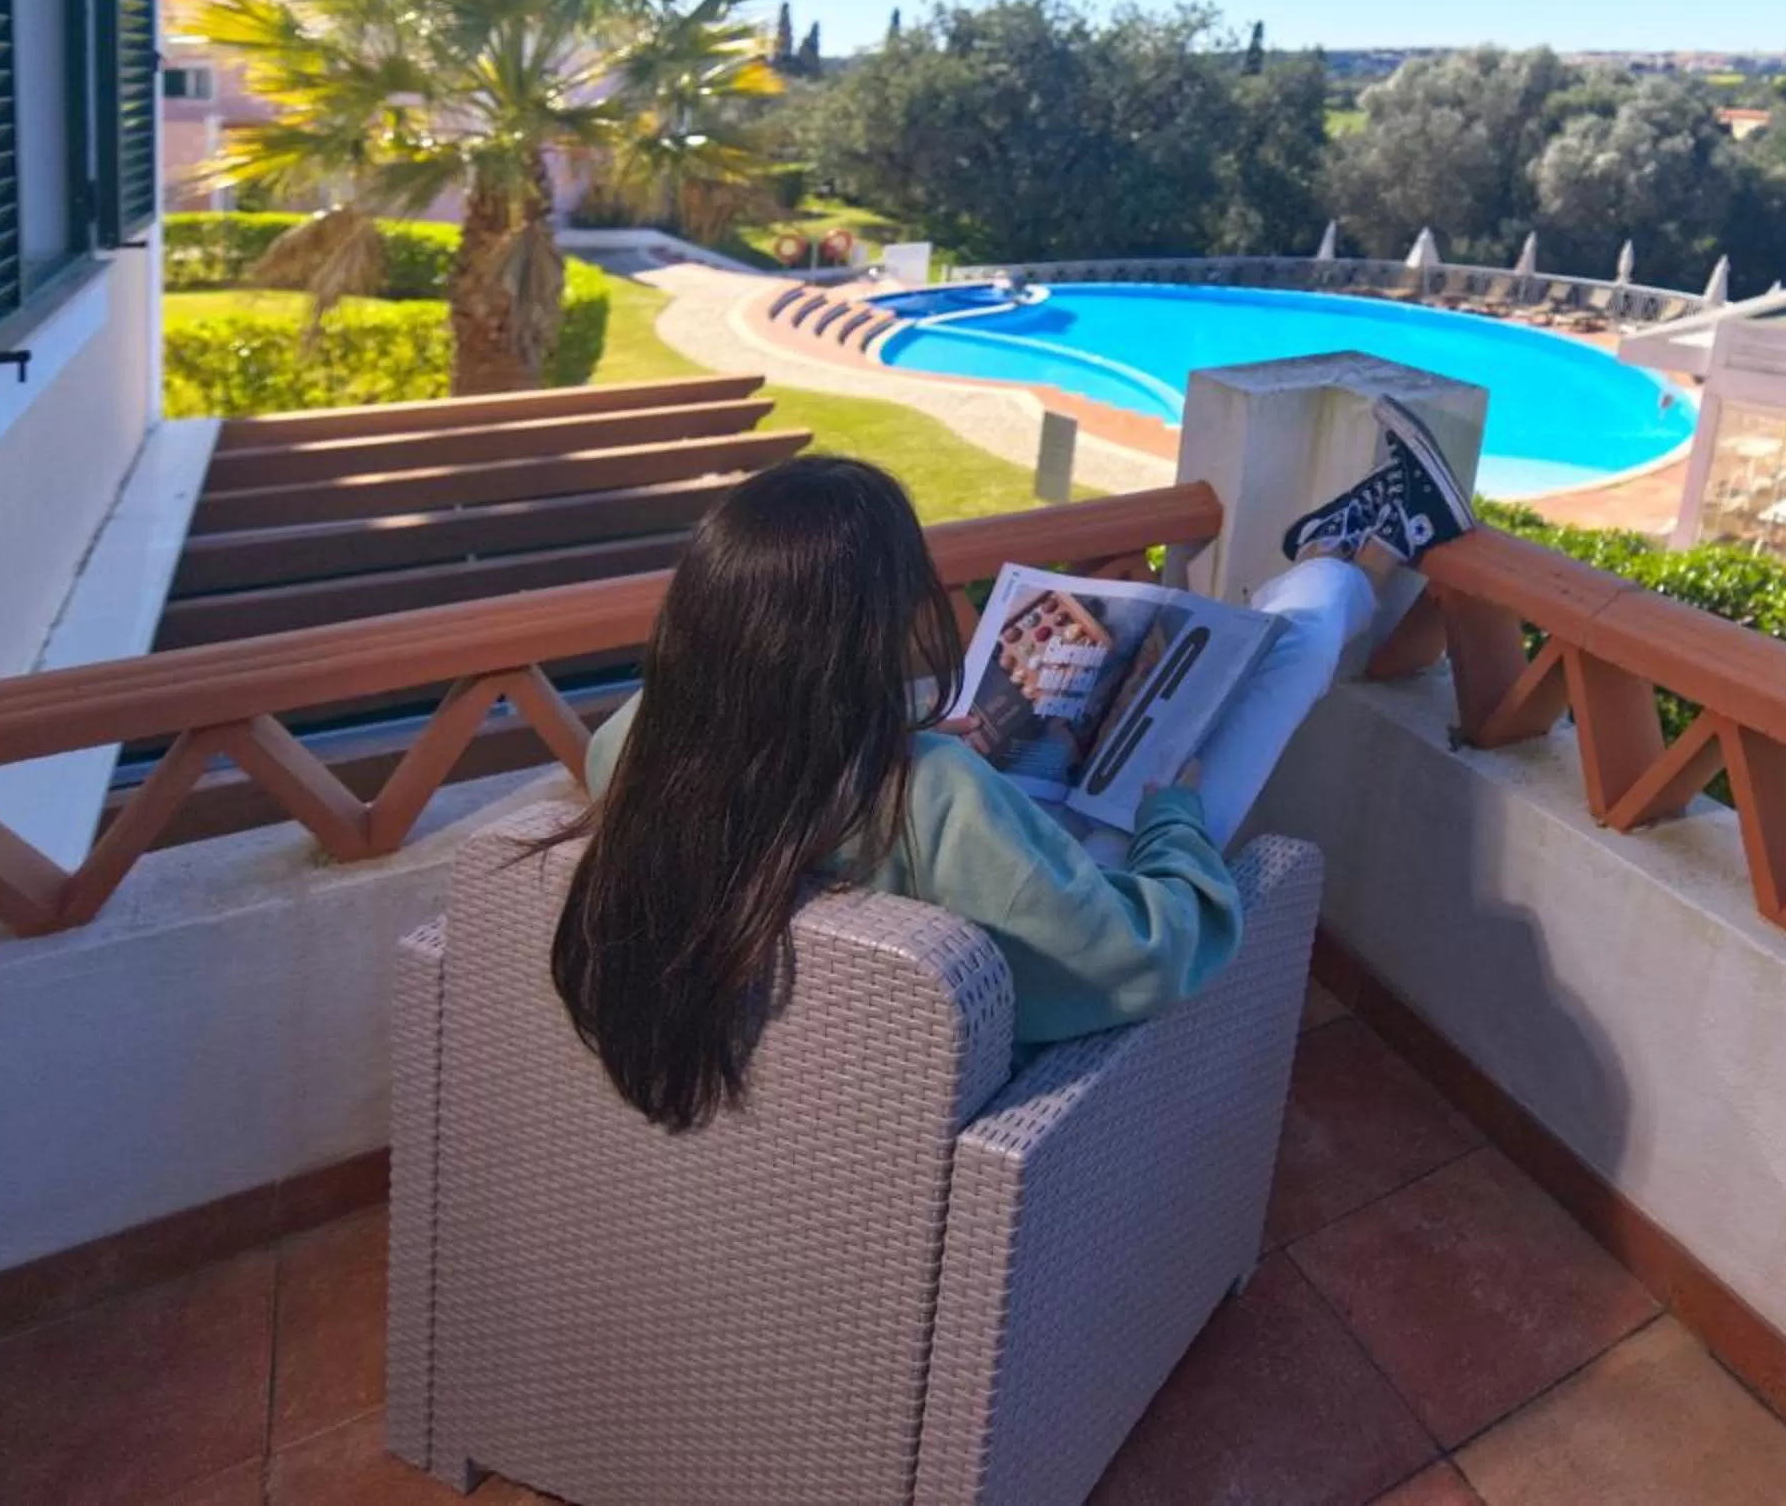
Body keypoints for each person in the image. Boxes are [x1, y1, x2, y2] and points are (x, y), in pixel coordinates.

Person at [553, 399, 1475, 1131]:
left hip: (909, 995)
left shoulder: (633, 739)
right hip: (1016, 1038)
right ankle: (1356, 556)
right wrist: (1175, 824)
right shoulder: (934, 800)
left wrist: (917, 741)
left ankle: (1352, 554)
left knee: (1253, 658)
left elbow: (809, 789)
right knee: (1279, 658)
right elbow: (1140, 960)